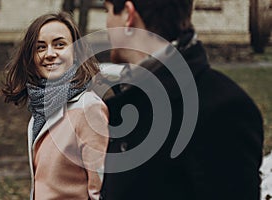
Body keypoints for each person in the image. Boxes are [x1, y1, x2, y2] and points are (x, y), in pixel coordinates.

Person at [97, 0, 264, 200]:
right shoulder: (130, 97)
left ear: (127, 15)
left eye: (107, 11)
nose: (106, 24)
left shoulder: (223, 110)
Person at [0, 12, 109, 200]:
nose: (49, 54)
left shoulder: (88, 108)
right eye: (40, 47)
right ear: (31, 58)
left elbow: (100, 190)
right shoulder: (39, 110)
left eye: (60, 44)